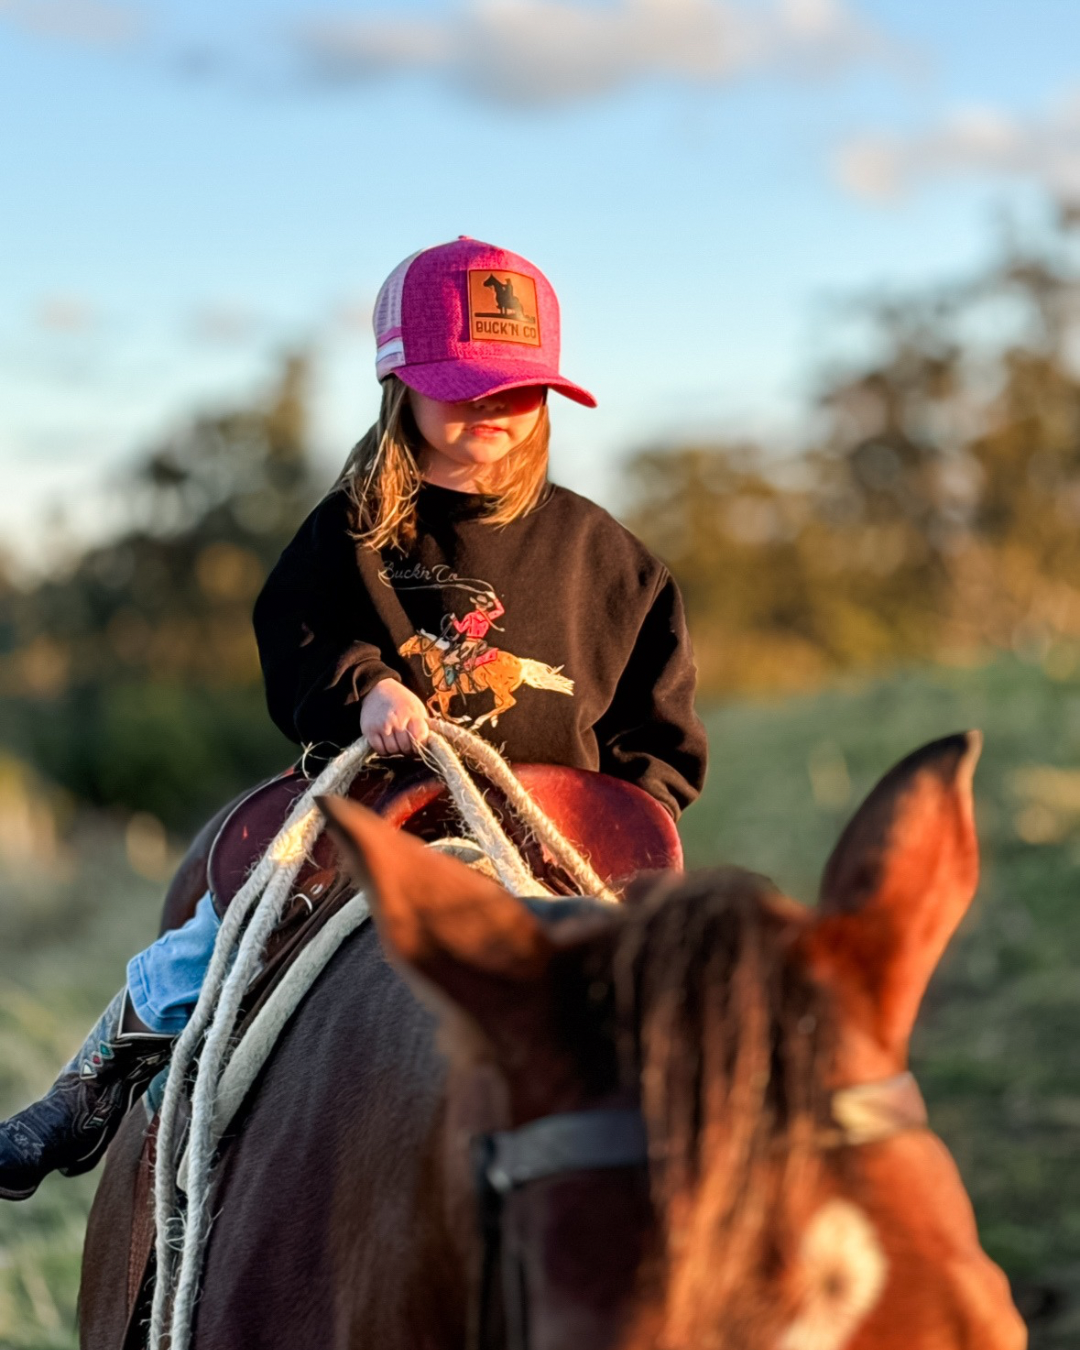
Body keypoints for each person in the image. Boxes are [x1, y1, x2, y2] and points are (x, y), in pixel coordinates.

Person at [0, 236, 708, 1200]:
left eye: (514, 390)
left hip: (545, 848)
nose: (490, 410)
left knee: (681, 992)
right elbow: (296, 635)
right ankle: (90, 1086)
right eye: (462, 389)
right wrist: (368, 687)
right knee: (232, 918)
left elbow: (657, 741)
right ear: (400, 384)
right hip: (380, 814)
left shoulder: (614, 564)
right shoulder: (352, 531)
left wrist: (613, 822)